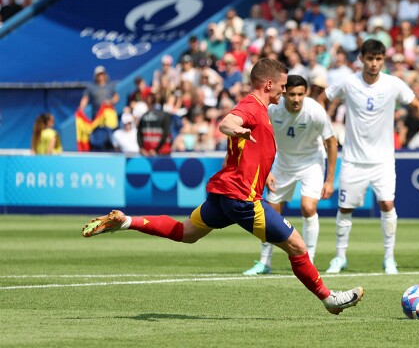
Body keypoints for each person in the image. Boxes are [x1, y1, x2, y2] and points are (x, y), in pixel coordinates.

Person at [81, 59, 363, 315]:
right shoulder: (252, 106)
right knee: (297, 245)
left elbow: (250, 151)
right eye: (282, 85)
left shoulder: (262, 108)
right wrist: (234, 128)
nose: (285, 90)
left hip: (225, 195)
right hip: (242, 199)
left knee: (186, 232)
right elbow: (229, 121)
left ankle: (126, 221)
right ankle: (329, 299)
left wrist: (262, 173)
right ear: (268, 84)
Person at [318, 39, 419, 274]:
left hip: (382, 160)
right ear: (362, 58)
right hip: (353, 158)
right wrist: (323, 126)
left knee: (387, 204)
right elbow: (323, 98)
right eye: (370, 58)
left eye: (379, 59)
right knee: (345, 208)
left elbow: (417, 104)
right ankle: (340, 257)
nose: (374, 63)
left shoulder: (393, 84)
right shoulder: (349, 83)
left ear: (383, 60)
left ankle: (389, 258)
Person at [243, 75, 337, 275]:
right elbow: (259, 140)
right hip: (283, 163)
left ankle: (309, 260)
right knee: (270, 213)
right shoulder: (272, 110)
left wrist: (330, 180)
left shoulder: (315, 112)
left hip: (311, 162)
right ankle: (265, 262)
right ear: (285, 93)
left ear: (306, 93)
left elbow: (331, 142)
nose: (296, 99)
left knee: (308, 207)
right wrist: (266, 171)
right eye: (292, 94)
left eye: (301, 94)